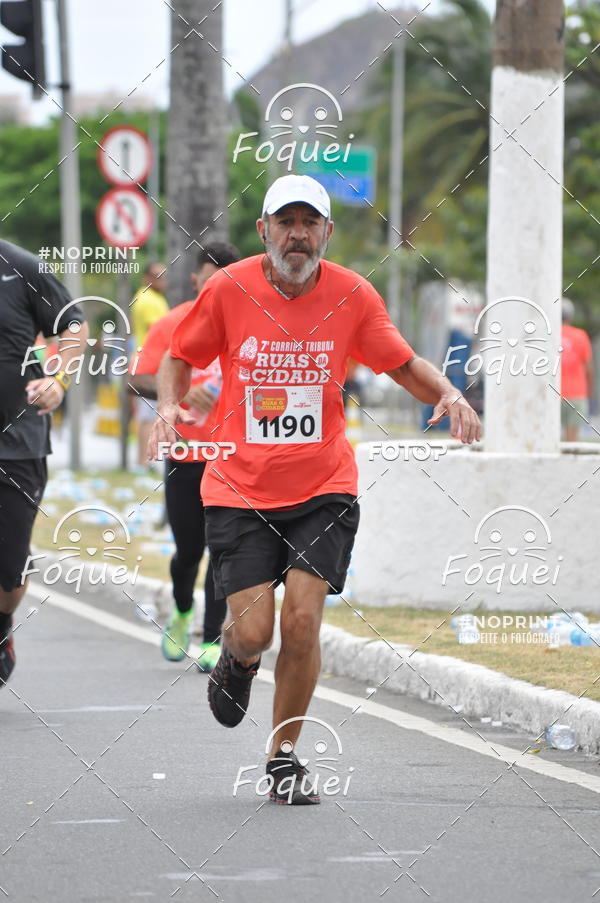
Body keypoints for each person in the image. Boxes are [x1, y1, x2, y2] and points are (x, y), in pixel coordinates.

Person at [148, 175, 481, 805]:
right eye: (285, 222)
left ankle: (283, 757)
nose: (297, 235)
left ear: (327, 232)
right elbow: (178, 356)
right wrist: (167, 409)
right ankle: (238, 661)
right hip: (239, 488)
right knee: (254, 632)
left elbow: (402, 363)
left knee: (302, 622)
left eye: (310, 224)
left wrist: (450, 393)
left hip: (323, 486)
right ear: (264, 230)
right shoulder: (229, 287)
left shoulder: (352, 295)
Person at [130, 243, 241, 672]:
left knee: (222, 548)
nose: (215, 289)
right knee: (188, 550)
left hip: (231, 457)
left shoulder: (250, 327)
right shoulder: (173, 323)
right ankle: (180, 611)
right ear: (195, 280)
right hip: (184, 454)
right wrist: (174, 395)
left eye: (225, 282)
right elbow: (135, 379)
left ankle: (212, 637)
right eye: (209, 279)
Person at [0, 239, 88, 686]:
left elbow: (74, 325)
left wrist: (58, 379)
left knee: (9, 573)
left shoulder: (20, 267)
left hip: (18, 443)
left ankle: (2, 627)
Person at [131, 263, 169, 469]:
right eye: (157, 276)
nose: (162, 280)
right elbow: (160, 330)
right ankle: (143, 463)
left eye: (163, 276)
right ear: (146, 278)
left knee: (152, 414)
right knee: (148, 415)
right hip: (149, 364)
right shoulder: (147, 300)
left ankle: (146, 461)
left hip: (149, 362)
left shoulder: (152, 298)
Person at [561, 297, 594, 442]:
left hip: (553, 395)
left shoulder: (548, 335)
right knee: (571, 442)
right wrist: (589, 391)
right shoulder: (580, 335)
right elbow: (589, 368)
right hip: (576, 394)